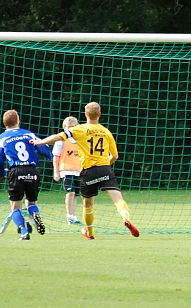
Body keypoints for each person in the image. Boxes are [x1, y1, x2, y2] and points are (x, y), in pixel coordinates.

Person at [33, 102, 139, 240]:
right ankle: (126, 218)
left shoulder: (79, 129)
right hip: (105, 169)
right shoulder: (106, 132)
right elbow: (115, 156)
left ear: (85, 114)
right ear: (99, 114)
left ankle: (90, 231)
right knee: (118, 199)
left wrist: (40, 142)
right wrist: (104, 166)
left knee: (88, 204)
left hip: (88, 172)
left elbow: (58, 137)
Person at [0, 109, 53, 240]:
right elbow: (44, 148)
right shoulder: (29, 134)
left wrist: (2, 172)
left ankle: (24, 231)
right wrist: (52, 157)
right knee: (31, 202)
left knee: (15, 207)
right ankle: (35, 213)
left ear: (4, 123)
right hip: (32, 170)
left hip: (16, 171)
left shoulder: (2, 138)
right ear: (17, 120)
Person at [52, 116, 82, 225]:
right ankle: (69, 216)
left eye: (73, 126)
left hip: (78, 171)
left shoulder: (79, 141)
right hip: (66, 171)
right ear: (64, 128)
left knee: (76, 194)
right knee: (70, 192)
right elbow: (56, 157)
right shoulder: (61, 140)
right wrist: (56, 172)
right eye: (68, 126)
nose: (70, 128)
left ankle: (74, 215)